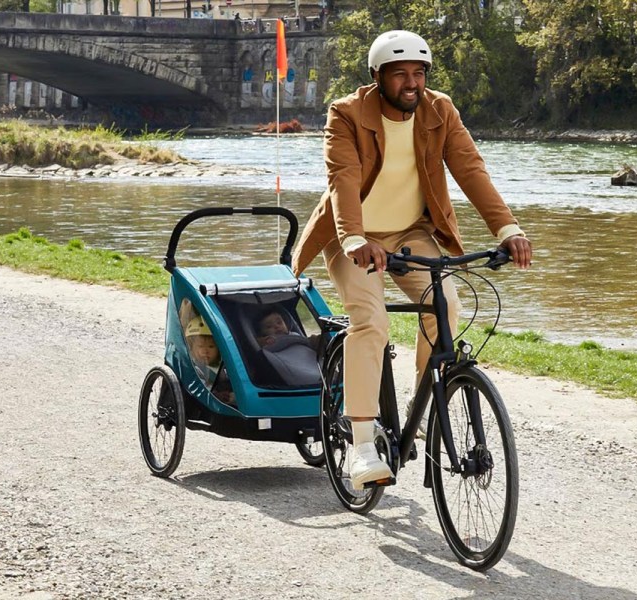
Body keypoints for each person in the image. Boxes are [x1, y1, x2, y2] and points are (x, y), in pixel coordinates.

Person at [291, 29, 532, 491]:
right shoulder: (346, 114)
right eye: (399, 74)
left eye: (418, 74)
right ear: (378, 77)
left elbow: (470, 169)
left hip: (409, 233)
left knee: (447, 304)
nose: (411, 83)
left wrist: (509, 230)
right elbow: (343, 179)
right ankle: (362, 445)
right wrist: (356, 238)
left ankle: (424, 405)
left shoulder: (440, 111)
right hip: (353, 239)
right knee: (370, 323)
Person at [185, 316, 234, 404]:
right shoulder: (194, 366)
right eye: (200, 346)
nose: (205, 351)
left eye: (211, 346)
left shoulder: (223, 364)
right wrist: (216, 395)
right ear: (192, 347)